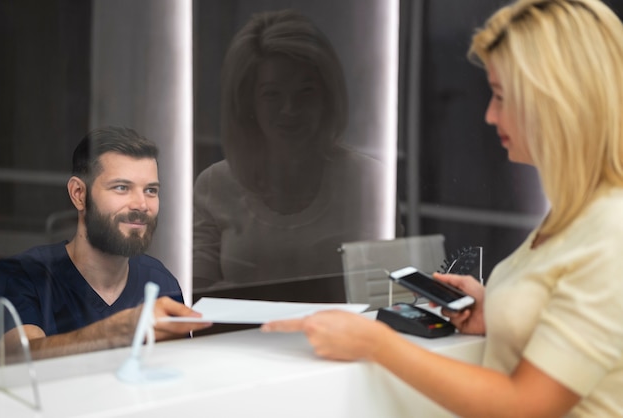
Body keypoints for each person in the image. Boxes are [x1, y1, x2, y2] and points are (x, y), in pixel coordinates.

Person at [262, 0, 623, 416]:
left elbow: (525, 405)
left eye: (502, 96)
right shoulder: (573, 215)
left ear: (557, 102)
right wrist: (500, 308)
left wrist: (376, 343)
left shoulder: (610, 232)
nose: (489, 115)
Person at [193, 9, 392, 296]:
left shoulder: (368, 180)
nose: (290, 110)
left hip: (341, 339)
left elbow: (390, 292)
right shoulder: (215, 184)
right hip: (236, 339)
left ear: (327, 96)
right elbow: (192, 295)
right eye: (272, 94)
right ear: (249, 104)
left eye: (306, 92)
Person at [0, 127, 210, 360]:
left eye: (151, 190)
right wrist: (116, 332)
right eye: (121, 188)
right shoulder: (24, 275)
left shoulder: (160, 280)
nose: (141, 204)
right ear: (79, 194)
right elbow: (17, 358)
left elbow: (179, 368)